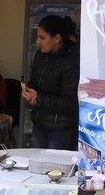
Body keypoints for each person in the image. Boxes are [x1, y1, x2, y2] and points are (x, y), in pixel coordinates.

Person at [21, 15, 79, 150]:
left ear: (57, 38)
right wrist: (29, 92)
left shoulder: (71, 62)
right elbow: (34, 82)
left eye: (42, 38)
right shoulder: (40, 55)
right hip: (40, 123)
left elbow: (70, 104)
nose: (37, 42)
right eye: (37, 37)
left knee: (56, 169)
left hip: (61, 129)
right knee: (38, 166)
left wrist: (39, 98)